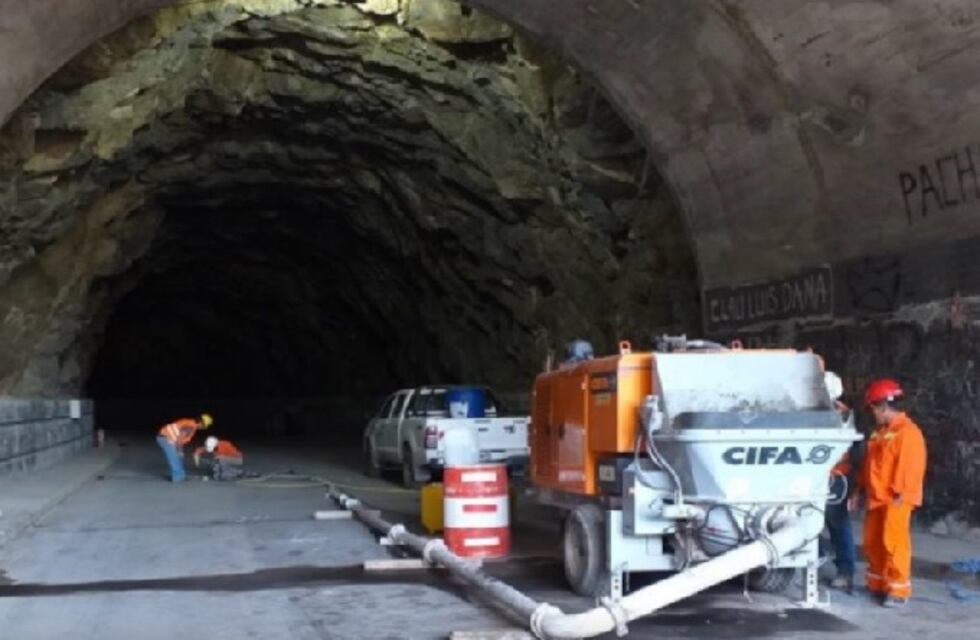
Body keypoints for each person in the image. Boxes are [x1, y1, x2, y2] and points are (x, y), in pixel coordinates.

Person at [850, 379, 927, 607]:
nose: (873, 414)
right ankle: (877, 585)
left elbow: (911, 467)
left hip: (896, 498)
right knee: (873, 542)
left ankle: (898, 590)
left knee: (894, 542)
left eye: (873, 409)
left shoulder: (908, 433)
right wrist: (858, 490)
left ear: (882, 407)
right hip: (877, 497)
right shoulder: (880, 434)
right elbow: (869, 465)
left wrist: (901, 495)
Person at [156, 413, 213, 482]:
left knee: (178, 457)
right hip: (165, 438)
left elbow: (180, 439)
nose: (204, 428)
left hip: (168, 438)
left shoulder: (190, 423)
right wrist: (180, 451)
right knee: (174, 457)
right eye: (205, 426)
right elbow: (180, 438)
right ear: (201, 423)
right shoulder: (191, 427)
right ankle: (178, 477)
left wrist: (180, 450)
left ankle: (181, 475)